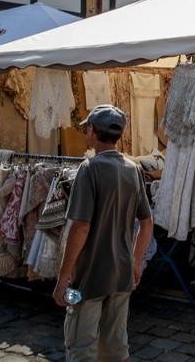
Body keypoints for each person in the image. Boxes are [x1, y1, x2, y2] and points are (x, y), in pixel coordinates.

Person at [54, 104, 153, 362]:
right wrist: (137, 260)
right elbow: (147, 222)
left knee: (81, 345)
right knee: (116, 347)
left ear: (91, 132)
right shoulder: (133, 170)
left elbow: (81, 226)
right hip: (122, 273)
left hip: (88, 278)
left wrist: (63, 278)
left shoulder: (89, 169)